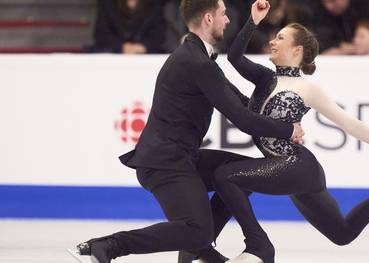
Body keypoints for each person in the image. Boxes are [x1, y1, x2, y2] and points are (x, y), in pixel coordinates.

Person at [184, 1, 369, 262]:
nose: (273, 42)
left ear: (296, 50)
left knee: (226, 176)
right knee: (343, 233)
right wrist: (253, 21)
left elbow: (350, 124)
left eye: (281, 38)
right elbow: (235, 57)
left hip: (298, 167)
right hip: (283, 168)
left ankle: (254, 245)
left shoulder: (307, 89)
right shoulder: (265, 78)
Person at [73, 0, 305, 262]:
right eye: (223, 14)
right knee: (197, 230)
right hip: (165, 162)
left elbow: (241, 102)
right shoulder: (196, 62)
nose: (227, 20)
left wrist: (280, 109)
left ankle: (198, 249)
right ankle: (107, 246)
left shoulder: (198, 57)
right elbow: (242, 119)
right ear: (208, 19)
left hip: (180, 156)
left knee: (242, 175)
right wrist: (287, 130)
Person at [91, 0, 166, 54]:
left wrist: (144, 46)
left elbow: (159, 34)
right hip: (114, 54)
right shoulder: (108, 3)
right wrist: (122, 47)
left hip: (146, 55)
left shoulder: (156, 3)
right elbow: (101, 34)